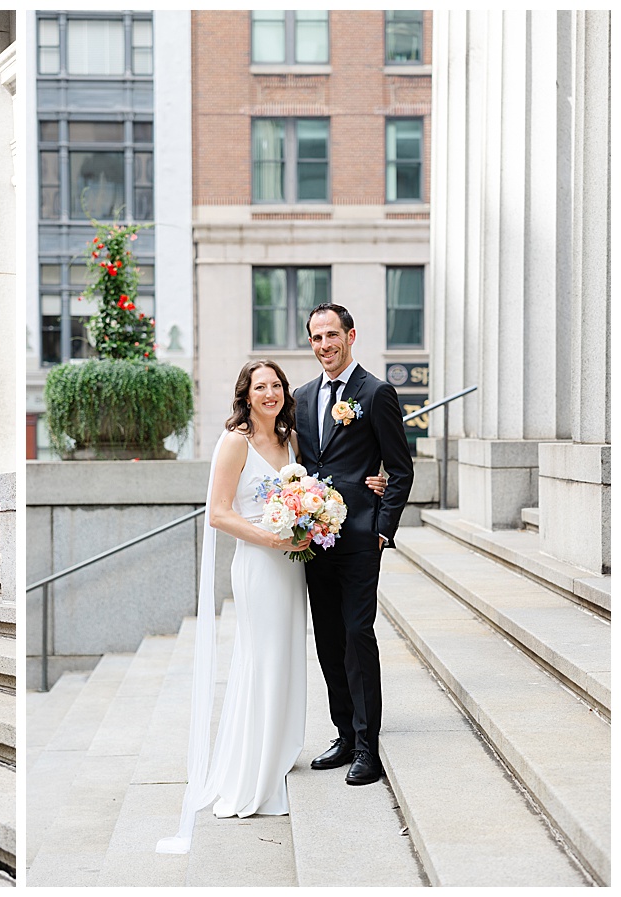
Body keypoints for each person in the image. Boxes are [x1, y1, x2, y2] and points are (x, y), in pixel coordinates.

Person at [156, 361, 387, 854]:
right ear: (245, 393)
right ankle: (252, 766)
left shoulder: (291, 440)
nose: (270, 393)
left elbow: (322, 480)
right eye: (260, 386)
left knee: (285, 658)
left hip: (291, 566)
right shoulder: (234, 441)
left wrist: (372, 484)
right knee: (259, 658)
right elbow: (218, 514)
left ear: (286, 392)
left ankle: (278, 752)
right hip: (261, 565)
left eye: (276, 385)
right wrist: (273, 537)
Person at [294, 304, 413, 786]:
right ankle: (343, 734)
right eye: (316, 338)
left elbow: (400, 468)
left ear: (350, 336)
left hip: (361, 537)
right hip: (313, 541)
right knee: (327, 639)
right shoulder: (301, 397)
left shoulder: (376, 392)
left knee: (357, 636)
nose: (324, 345)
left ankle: (368, 746)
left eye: (331, 335)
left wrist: (382, 527)